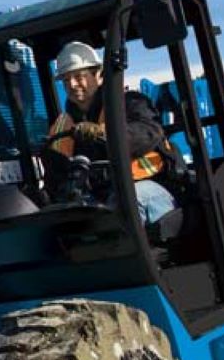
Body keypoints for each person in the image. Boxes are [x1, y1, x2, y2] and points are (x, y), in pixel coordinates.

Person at [46, 41, 178, 225]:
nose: (73, 84)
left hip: (151, 188)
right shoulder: (62, 126)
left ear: (98, 75)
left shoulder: (128, 104)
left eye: (79, 76)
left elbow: (149, 131)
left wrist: (103, 133)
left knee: (124, 204)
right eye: (66, 80)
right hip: (100, 197)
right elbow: (55, 176)